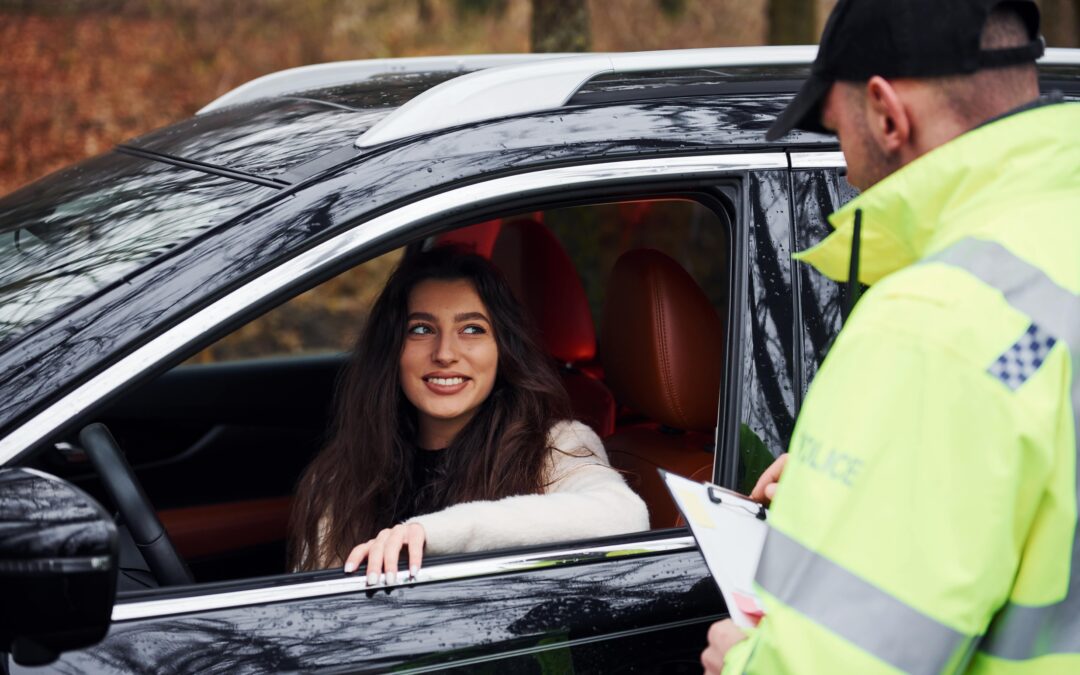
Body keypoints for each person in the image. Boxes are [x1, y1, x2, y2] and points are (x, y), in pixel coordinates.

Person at [702, 0, 1079, 672]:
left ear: (884, 112)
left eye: (834, 128)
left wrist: (745, 661)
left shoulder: (939, 322)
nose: (845, 169)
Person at [288, 246, 648, 581]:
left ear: (503, 349)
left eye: (472, 329)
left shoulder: (554, 444)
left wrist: (433, 534)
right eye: (421, 329)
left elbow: (625, 517)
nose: (445, 352)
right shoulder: (343, 474)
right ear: (393, 350)